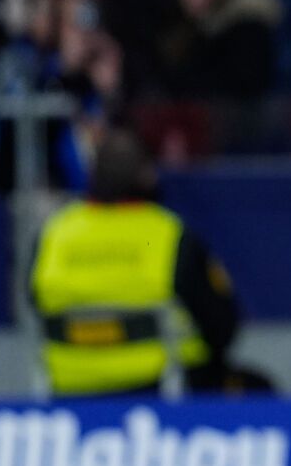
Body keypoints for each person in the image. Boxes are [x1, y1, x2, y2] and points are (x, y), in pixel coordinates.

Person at [28, 130, 254, 395]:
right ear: (147, 176)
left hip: (68, 392)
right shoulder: (169, 234)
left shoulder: (53, 233)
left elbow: (32, 303)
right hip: (163, 392)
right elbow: (222, 326)